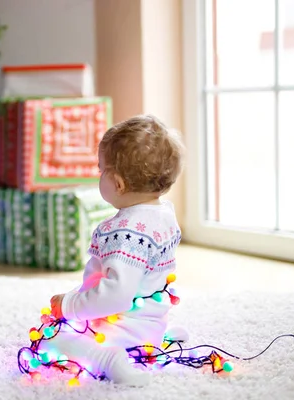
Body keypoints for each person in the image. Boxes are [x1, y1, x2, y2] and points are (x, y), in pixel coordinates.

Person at [45, 114, 188, 386]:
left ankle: (107, 360)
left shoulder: (124, 232)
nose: (99, 176)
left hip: (120, 330)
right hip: (151, 322)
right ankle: (157, 339)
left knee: (53, 341)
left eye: (101, 170)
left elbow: (116, 296)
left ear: (119, 184)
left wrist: (68, 305)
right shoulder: (164, 214)